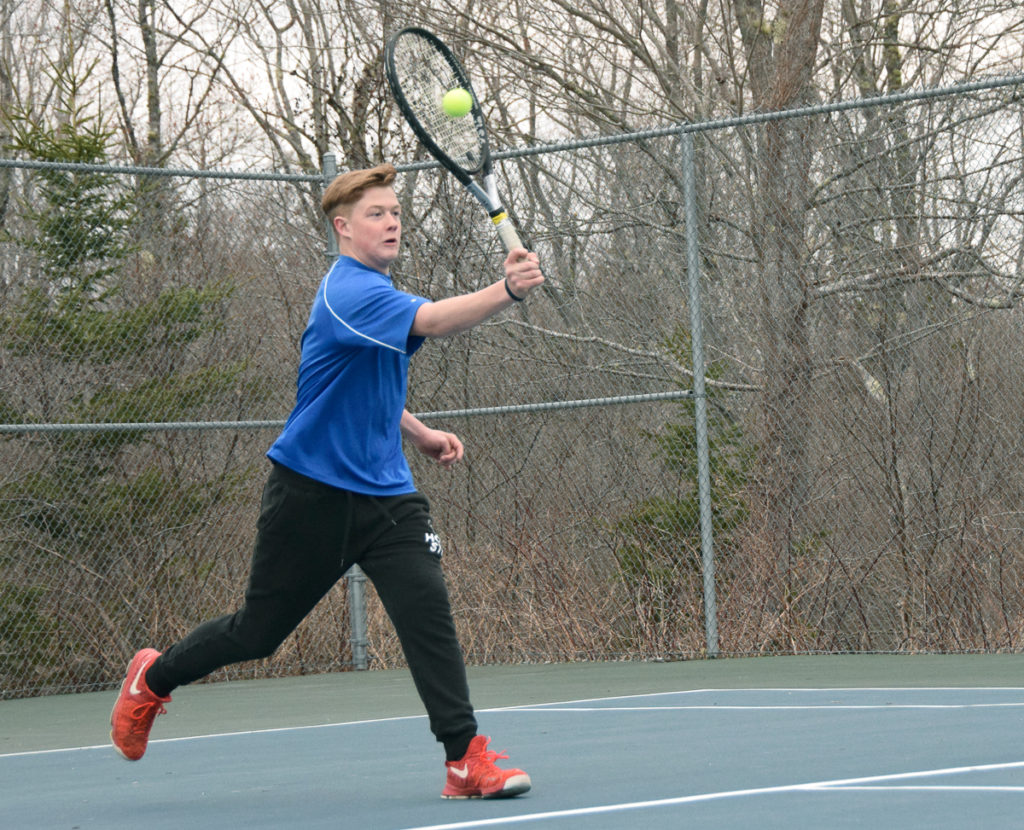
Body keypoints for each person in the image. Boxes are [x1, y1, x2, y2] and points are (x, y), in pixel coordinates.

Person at [109, 162, 544, 799]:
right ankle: (153, 679)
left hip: (389, 497)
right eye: (376, 213)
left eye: (396, 211)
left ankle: (463, 759)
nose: (392, 221)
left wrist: (416, 431)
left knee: (429, 617)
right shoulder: (350, 292)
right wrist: (506, 289)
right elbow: (435, 321)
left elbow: (360, 382)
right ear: (343, 227)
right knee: (257, 633)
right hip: (311, 493)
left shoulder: (376, 295)